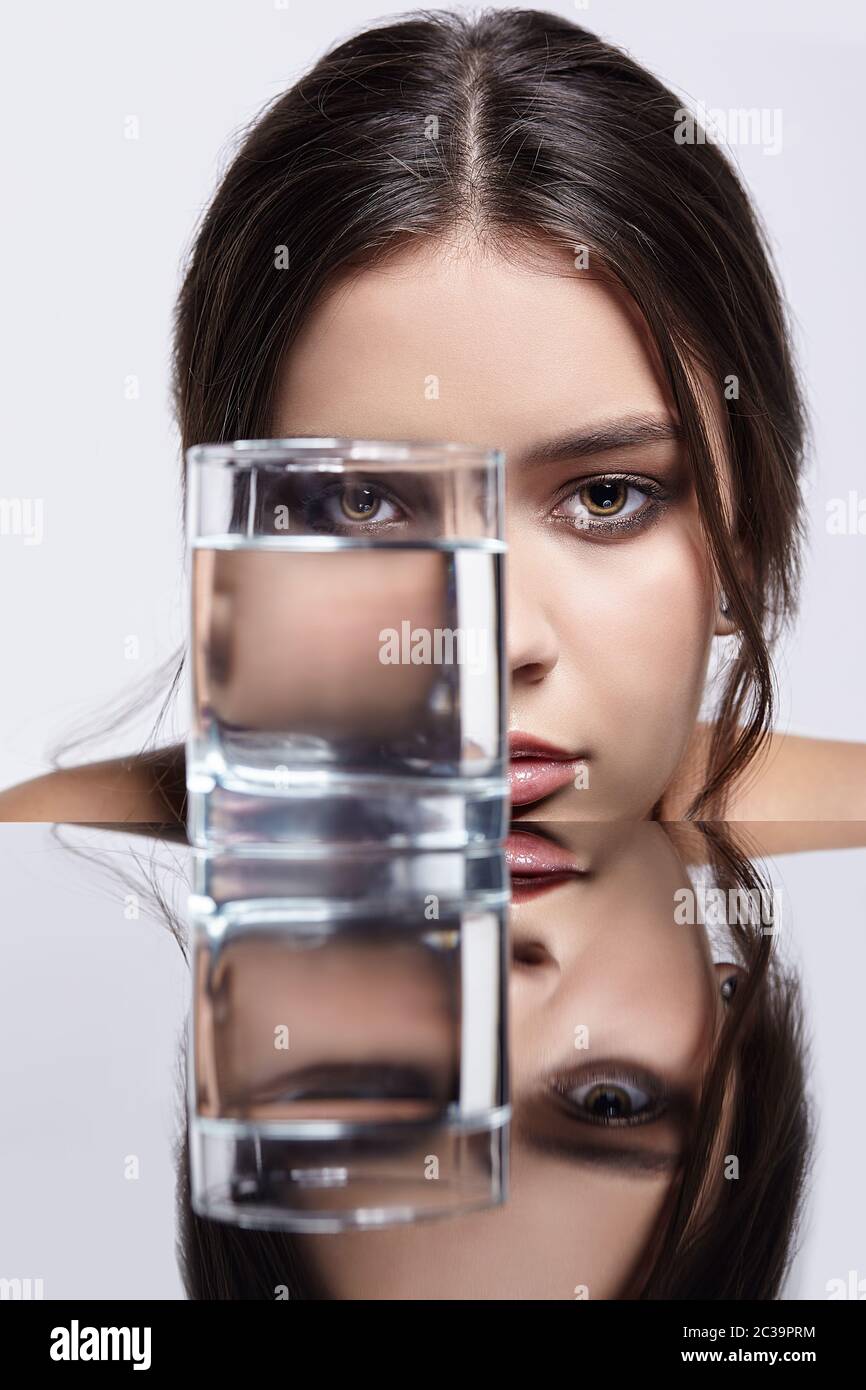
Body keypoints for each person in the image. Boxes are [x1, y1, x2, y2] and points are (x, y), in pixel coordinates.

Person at [2, 7, 865, 825]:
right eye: (362, 505)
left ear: (741, 542)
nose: (486, 645)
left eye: (607, 497)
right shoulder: (56, 870)